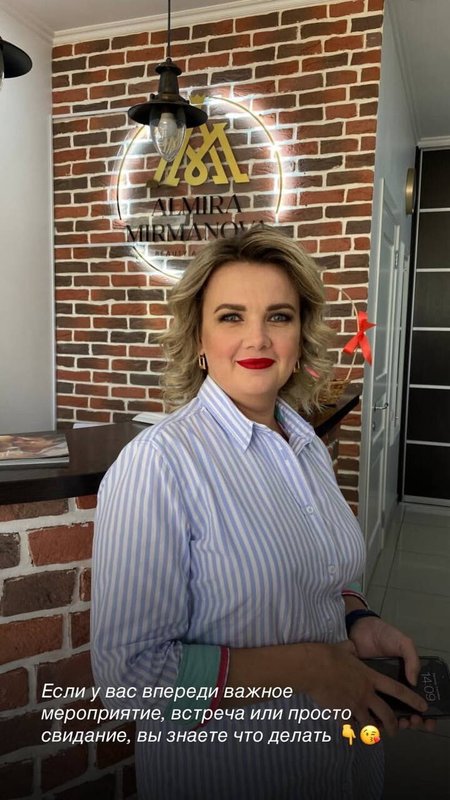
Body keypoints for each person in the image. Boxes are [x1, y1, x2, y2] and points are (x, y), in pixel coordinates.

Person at [91, 227, 432, 800]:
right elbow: (130, 677)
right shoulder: (159, 463)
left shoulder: (305, 445)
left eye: (279, 316)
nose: (258, 337)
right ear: (198, 338)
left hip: (342, 761)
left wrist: (357, 620)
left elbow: (327, 572)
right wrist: (307, 667)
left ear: (300, 336)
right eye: (231, 316)